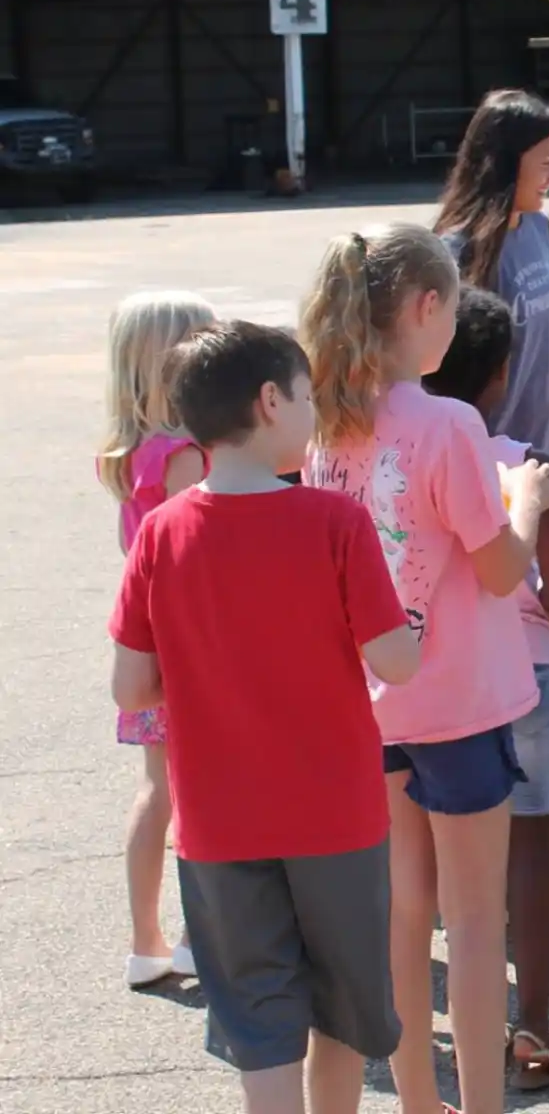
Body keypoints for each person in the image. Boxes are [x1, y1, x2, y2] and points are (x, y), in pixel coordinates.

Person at [108, 321, 421, 1114]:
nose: (314, 412)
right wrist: (414, 621)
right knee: (343, 1009)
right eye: (307, 396)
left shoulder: (162, 532)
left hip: (219, 821)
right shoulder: (334, 523)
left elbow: (131, 688)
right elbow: (394, 662)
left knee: (258, 1015)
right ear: (271, 400)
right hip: (335, 813)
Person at [299, 224, 549, 1114]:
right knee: (476, 923)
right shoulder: (450, 424)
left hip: (376, 702)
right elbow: (495, 570)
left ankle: (418, 1101)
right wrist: (525, 499)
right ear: (425, 307)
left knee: (406, 920)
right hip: (460, 703)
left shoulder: (330, 427)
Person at [420, 285, 549, 1091]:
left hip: (439, 684)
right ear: (501, 375)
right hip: (526, 676)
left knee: (439, 869)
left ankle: (449, 1033)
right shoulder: (531, 469)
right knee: (529, 854)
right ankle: (534, 1028)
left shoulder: (412, 452)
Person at [433, 90, 549, 779]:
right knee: (497, 617)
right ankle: (507, 765)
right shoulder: (455, 251)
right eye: (543, 162)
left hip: (542, 454)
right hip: (486, 467)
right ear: (502, 162)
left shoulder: (541, 232)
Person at [97, 289, 216, 988]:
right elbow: (200, 558)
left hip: (145, 645)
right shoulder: (186, 456)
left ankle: (147, 940)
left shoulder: (129, 452)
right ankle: (203, 935)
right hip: (190, 650)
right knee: (201, 798)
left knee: (157, 792)